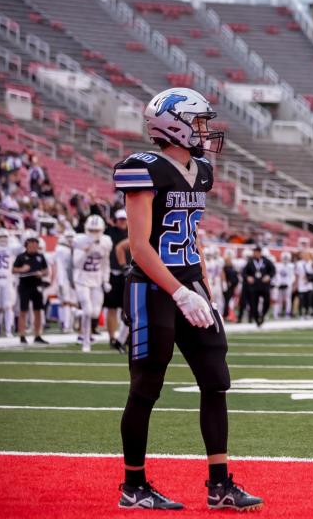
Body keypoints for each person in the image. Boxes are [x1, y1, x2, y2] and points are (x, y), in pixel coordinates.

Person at [112, 87, 261, 510]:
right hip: (152, 289)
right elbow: (140, 246)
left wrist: (205, 294)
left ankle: (220, 485)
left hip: (190, 284)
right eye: (198, 122)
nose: (204, 130)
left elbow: (193, 236)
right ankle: (133, 487)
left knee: (216, 380)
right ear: (173, 124)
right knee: (146, 387)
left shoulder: (202, 171)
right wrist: (178, 292)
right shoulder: (144, 168)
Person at [73, 214, 113, 353]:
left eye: (97, 230)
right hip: (81, 279)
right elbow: (76, 264)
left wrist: (106, 280)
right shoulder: (79, 240)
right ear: (86, 229)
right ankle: (86, 341)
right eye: (92, 230)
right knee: (88, 310)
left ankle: (78, 313)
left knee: (95, 313)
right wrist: (85, 252)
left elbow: (105, 263)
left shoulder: (106, 242)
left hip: (96, 281)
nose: (94, 234)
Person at [13, 235, 50, 343]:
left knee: (38, 311)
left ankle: (37, 335)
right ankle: (22, 335)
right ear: (26, 246)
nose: (34, 249)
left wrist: (41, 273)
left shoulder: (40, 256)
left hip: (37, 285)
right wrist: (22, 269)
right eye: (31, 246)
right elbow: (14, 270)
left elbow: (46, 270)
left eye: (35, 246)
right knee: (23, 311)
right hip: (24, 285)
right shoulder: (21, 257)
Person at [104, 209, 130, 352]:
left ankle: (124, 338)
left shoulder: (132, 231)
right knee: (112, 307)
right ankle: (112, 337)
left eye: (124, 219)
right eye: (119, 219)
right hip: (113, 273)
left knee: (127, 308)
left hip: (129, 274)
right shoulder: (110, 232)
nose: (122, 222)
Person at [242, 246, 275, 326]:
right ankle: (257, 319)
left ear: (260, 253)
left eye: (257, 252)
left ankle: (263, 315)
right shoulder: (250, 262)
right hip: (254, 286)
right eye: (254, 252)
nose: (255, 254)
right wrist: (248, 277)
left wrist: (269, 276)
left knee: (267, 302)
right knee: (253, 304)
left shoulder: (266, 261)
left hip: (264, 286)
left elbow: (273, 270)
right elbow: (244, 272)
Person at [54, 228, 78, 333]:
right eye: (68, 237)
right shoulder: (61, 249)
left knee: (70, 303)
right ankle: (67, 325)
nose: (70, 240)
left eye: (71, 237)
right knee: (67, 302)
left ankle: (68, 324)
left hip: (71, 278)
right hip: (66, 279)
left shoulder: (64, 249)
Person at [274, 250, 296, 318]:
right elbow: (277, 275)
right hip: (279, 285)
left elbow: (292, 276)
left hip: (287, 285)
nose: (285, 260)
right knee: (279, 300)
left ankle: (287, 313)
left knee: (288, 299)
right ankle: (278, 313)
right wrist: (278, 283)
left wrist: (289, 283)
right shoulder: (278, 265)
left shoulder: (291, 266)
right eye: (284, 258)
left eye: (286, 258)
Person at [295, 250, 313, 319]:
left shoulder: (312, 263)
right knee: (302, 299)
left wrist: (309, 278)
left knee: (309, 299)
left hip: (309, 284)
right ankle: (301, 314)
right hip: (301, 284)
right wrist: (296, 284)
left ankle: (308, 313)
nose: (305, 256)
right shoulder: (299, 263)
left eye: (306, 255)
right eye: (304, 255)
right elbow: (297, 274)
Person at [221, 250, 238, 319]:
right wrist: (225, 285)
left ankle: (228, 314)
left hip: (232, 286)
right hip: (227, 286)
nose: (229, 260)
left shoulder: (232, 267)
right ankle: (225, 314)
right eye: (228, 259)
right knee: (226, 301)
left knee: (230, 301)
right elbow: (223, 277)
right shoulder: (224, 268)